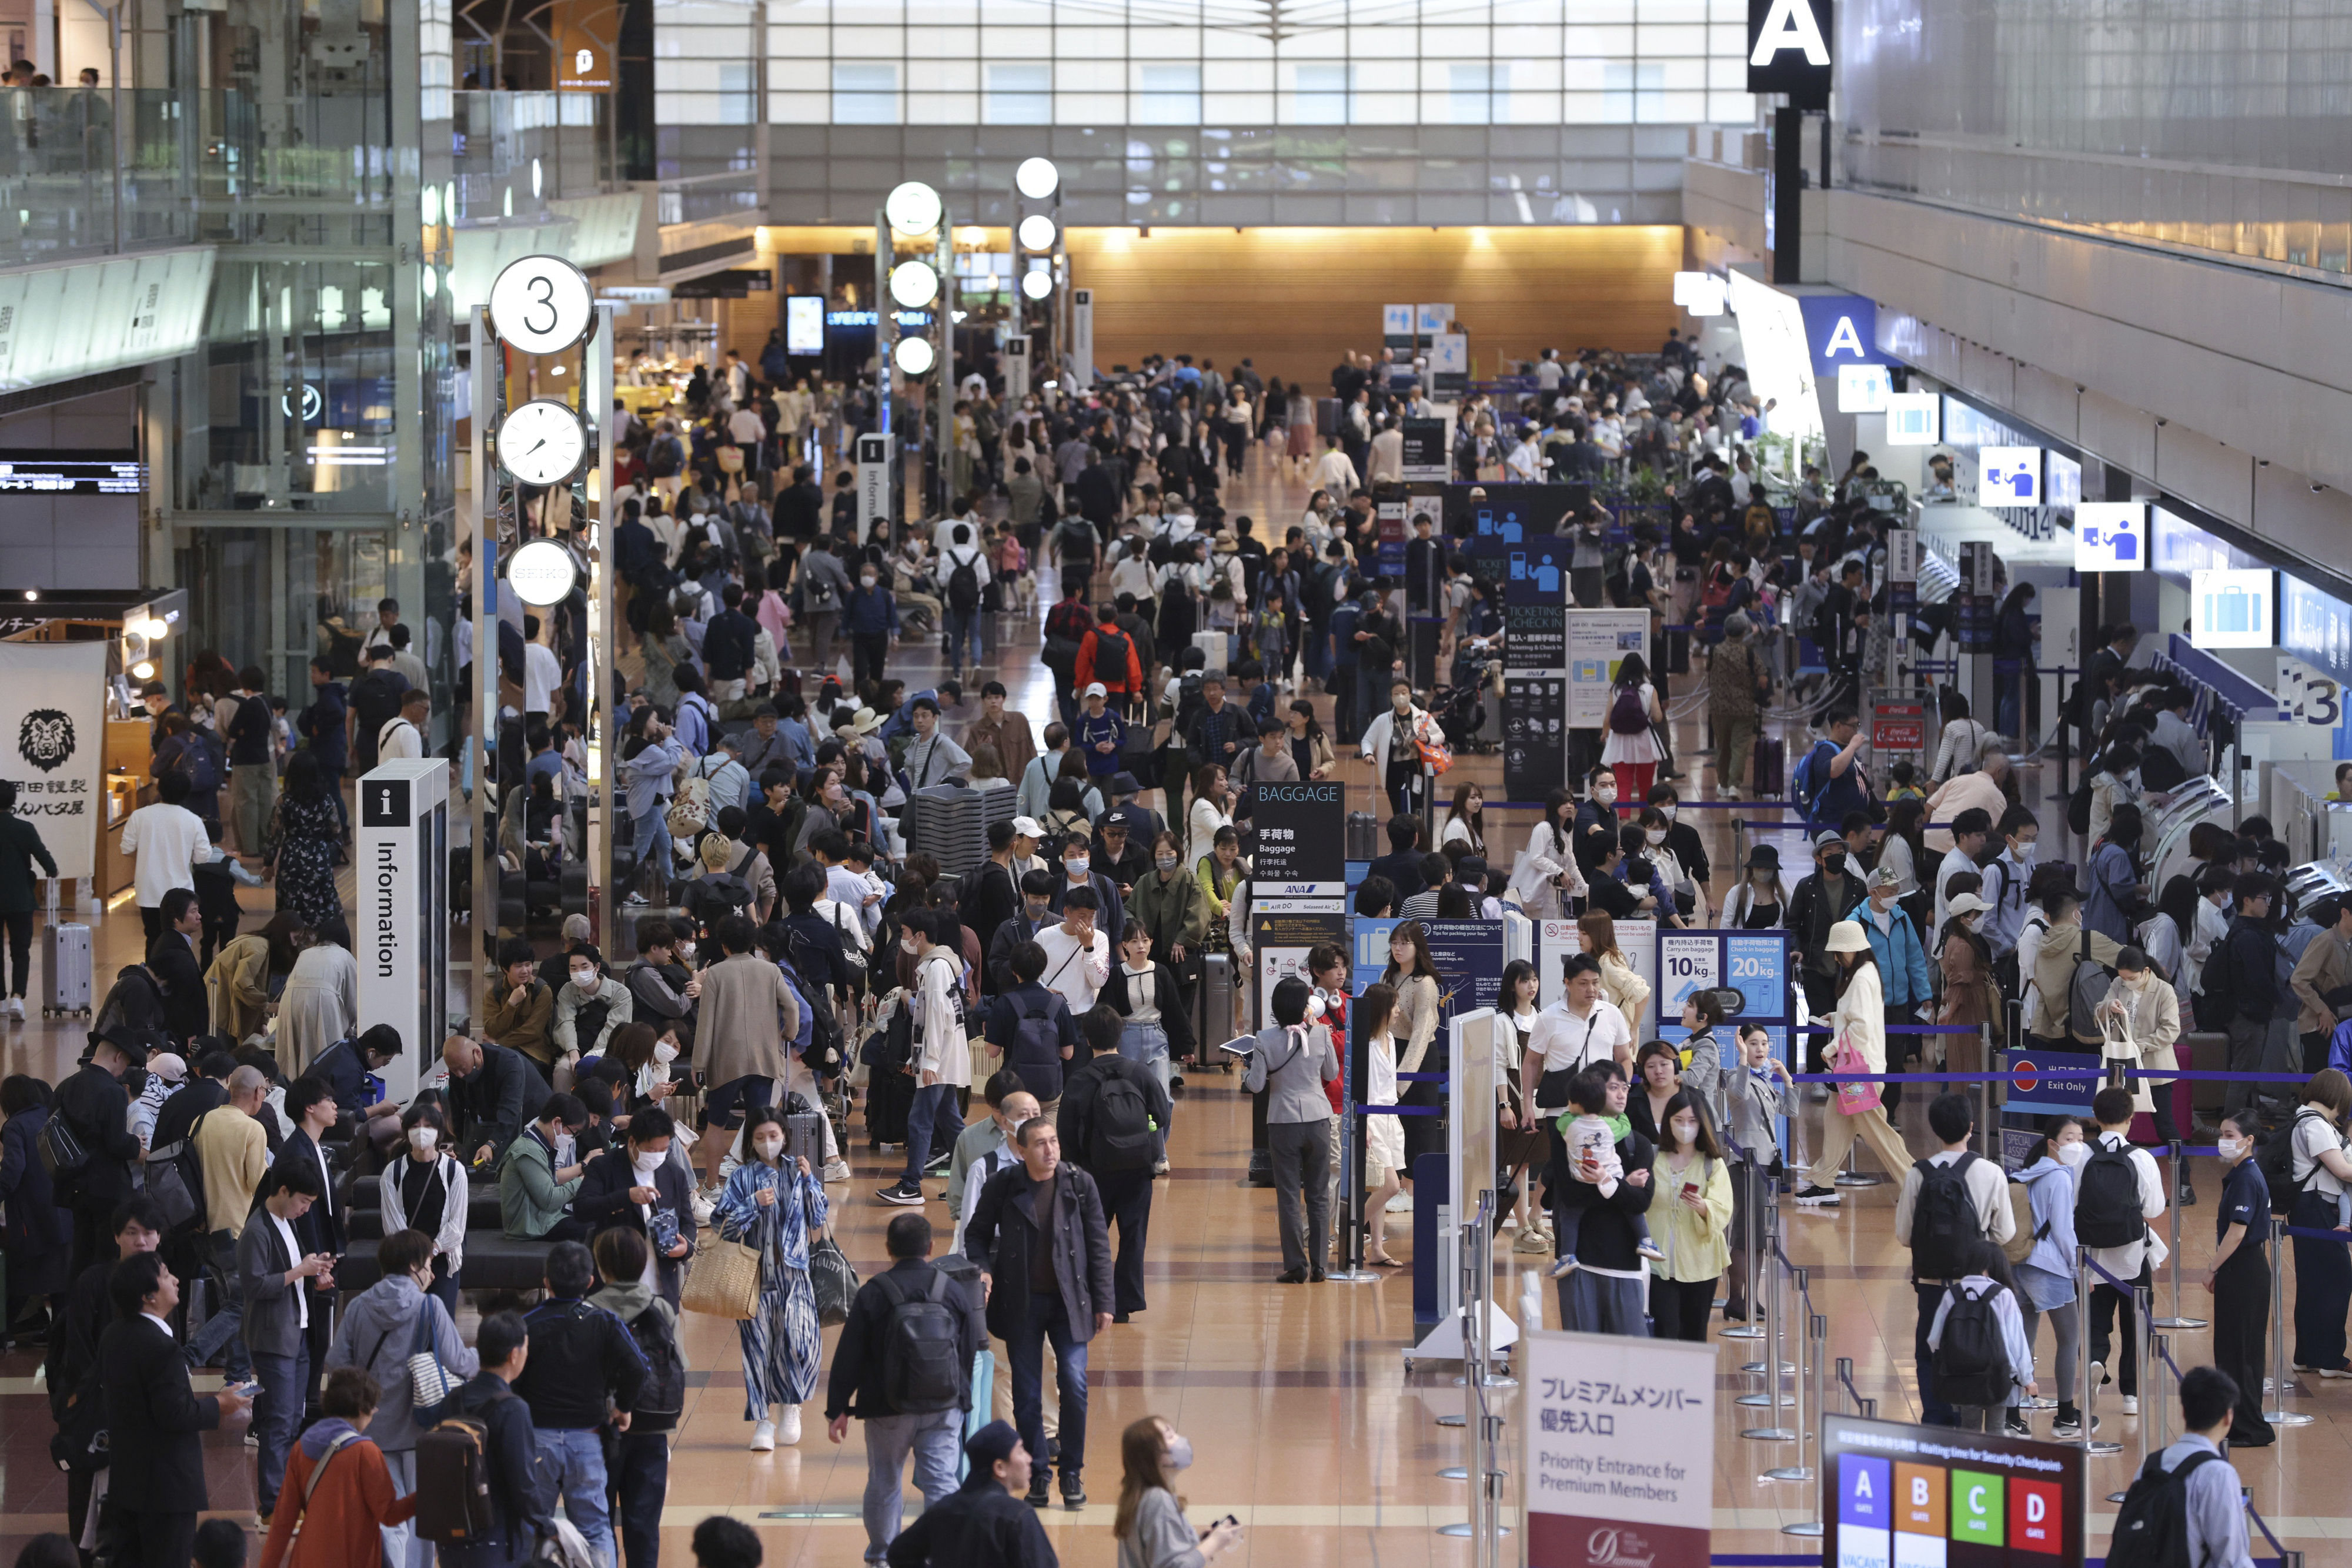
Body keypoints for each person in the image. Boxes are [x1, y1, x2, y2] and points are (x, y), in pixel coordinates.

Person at [964, 1116, 1115, 1506]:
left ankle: (1071, 1472)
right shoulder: (1004, 1185)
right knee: (1027, 1393)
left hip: (1070, 1302)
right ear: (1021, 1149)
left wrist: (1106, 1302)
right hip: (1022, 1303)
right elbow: (976, 1233)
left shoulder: (1080, 1183)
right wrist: (982, 1268)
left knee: (1074, 1382)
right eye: (1040, 1144)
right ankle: (1038, 1474)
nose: (1050, 1151)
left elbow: (1099, 1244)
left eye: (1054, 1142)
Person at [827, 1213, 977, 1563]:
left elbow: (849, 1355)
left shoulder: (874, 1293)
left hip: (885, 1407)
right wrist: (961, 1397)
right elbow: (967, 1350)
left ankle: (882, 1555)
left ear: (888, 1249)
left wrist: (838, 1409)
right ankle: (944, 1555)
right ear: (930, 1248)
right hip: (943, 1405)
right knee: (942, 1482)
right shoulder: (951, 1290)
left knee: (885, 1482)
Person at [326, 1228, 477, 1568]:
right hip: (420, 1430)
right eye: (428, 1265)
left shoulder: (359, 1307)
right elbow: (460, 1363)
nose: (432, 1273)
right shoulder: (430, 1306)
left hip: (371, 1431)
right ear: (413, 1267)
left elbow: (336, 1363)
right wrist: (490, 1357)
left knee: (386, 1517)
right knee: (420, 1516)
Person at [98, 1252, 253, 1568]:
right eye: (167, 1275)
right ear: (149, 1296)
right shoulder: (160, 1347)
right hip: (167, 1489)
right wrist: (221, 1405)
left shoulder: (114, 1335)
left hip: (127, 1481)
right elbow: (174, 1415)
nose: (176, 1279)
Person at [514, 1241, 650, 1568]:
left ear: (546, 1281)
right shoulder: (603, 1322)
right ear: (591, 1282)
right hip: (587, 1440)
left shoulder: (528, 1325)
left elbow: (512, 1379)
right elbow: (638, 1366)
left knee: (532, 1525)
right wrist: (624, 1407)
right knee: (594, 1527)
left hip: (538, 1442)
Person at [1891, 1094, 2015, 1427]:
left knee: (1929, 1351)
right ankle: (1970, 1419)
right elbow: (2005, 1233)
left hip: (1932, 1281)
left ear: (1934, 1130)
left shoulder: (1918, 1174)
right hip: (1979, 1283)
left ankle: (1936, 1418)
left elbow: (1904, 1235)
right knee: (1981, 1346)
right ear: (1971, 1128)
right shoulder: (1991, 1173)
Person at [710, 1105, 828, 1450]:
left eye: (773, 1136)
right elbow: (722, 1225)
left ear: (785, 1136)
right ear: (751, 1140)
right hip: (754, 1277)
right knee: (758, 1348)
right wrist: (752, 1204)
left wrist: (809, 1183)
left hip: (796, 1276)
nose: (767, 1143)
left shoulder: (798, 1171)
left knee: (798, 1341)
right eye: (760, 1137)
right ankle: (763, 1420)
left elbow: (818, 1218)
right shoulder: (742, 1177)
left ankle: (791, 1406)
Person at [1058, 1005, 1172, 1322]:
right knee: (1133, 1237)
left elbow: (1065, 1132)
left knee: (1091, 1236)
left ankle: (1092, 1299)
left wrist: (1079, 1165)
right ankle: (1125, 1303)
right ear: (1120, 1035)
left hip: (1095, 1171)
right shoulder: (1139, 1072)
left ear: (1086, 1038)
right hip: (1137, 1168)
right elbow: (1162, 1116)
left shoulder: (1080, 1079)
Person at [238, 1160, 333, 1524]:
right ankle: (272, 1506)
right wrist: (300, 1272)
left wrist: (315, 1274)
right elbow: (255, 1286)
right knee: (278, 1424)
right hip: (273, 1338)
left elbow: (293, 1276)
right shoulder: (256, 1232)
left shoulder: (287, 1223)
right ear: (281, 1192)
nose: (306, 1209)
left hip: (297, 1331)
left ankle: (287, 1498)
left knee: (293, 1420)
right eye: (304, 1201)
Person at [1795, 922, 1916, 1203]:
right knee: (1836, 1123)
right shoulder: (1867, 973)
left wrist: (1832, 1046)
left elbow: (1861, 1026)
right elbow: (1863, 1018)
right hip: (1856, 1070)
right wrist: (1837, 1019)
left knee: (1878, 1133)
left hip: (1859, 1072)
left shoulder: (1860, 978)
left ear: (1851, 950)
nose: (1836, 958)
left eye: (1839, 953)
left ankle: (1915, 1185)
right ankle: (1824, 1183)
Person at [256, 1366, 417, 1568]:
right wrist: (423, 1497)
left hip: (308, 1557)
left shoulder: (302, 1447)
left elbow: (283, 1521)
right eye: (373, 1409)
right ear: (362, 1410)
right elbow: (389, 1514)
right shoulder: (366, 1453)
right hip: (353, 1557)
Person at [587, 1229, 681, 1568]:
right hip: (651, 1431)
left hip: (598, 1434)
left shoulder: (588, 1312)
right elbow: (678, 1365)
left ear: (601, 1268)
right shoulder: (661, 1308)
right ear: (643, 1264)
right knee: (644, 1527)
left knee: (597, 1526)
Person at [691, 914, 801, 1196]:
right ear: (753, 942)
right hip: (764, 1058)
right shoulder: (771, 971)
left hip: (726, 1061)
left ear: (724, 946)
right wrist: (789, 1033)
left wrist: (698, 1064)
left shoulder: (715, 974)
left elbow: (706, 1024)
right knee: (761, 1125)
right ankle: (760, 1184)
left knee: (716, 1124)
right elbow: (791, 1007)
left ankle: (712, 1185)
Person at [438, 1310, 557, 1568]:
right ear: (514, 1355)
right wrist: (546, 1525)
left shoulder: (453, 1400)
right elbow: (522, 1482)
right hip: (497, 1538)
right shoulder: (513, 1409)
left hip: (451, 1537)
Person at [1547, 1064, 1655, 1335]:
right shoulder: (1568, 1138)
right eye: (1613, 1087)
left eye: (1625, 1088)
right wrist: (1621, 1187)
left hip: (1624, 1264)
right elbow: (1570, 1196)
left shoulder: (1636, 1143)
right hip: (1578, 1262)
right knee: (1583, 1353)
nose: (1621, 1095)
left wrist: (1607, 1184)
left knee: (1630, 1355)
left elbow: (1641, 1203)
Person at [2082, 1085, 2168, 1414]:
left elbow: (2070, 1204)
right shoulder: (2142, 1158)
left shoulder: (2081, 1155)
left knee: (2094, 1317)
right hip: (2133, 1254)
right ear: (2131, 1119)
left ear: (2095, 1116)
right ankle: (2131, 1394)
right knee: (2137, 1324)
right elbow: (2155, 1209)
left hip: (2091, 1257)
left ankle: (2094, 1360)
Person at [878, 908, 971, 1208]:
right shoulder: (937, 965)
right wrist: (917, 1059)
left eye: (905, 932)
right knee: (951, 1122)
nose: (903, 938)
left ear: (920, 935)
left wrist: (928, 1060)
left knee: (920, 1121)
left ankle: (911, 1186)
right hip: (939, 1057)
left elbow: (937, 1017)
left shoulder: (937, 968)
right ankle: (974, 1179)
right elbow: (930, 1019)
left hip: (939, 1060)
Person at [884, 1420, 1061, 1568]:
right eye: (1021, 1450)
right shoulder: (1017, 1516)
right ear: (999, 1468)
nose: (1029, 1459)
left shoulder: (943, 1509)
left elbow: (899, 1553)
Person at [573, 1106, 698, 1306]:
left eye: (663, 1150)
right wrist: (626, 1197)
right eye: (651, 1150)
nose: (657, 1156)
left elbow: (688, 1222)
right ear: (632, 1142)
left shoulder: (674, 1174)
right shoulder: (604, 1167)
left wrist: (686, 1247)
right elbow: (582, 1209)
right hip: (615, 1284)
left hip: (662, 1286)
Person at [2013, 1119, 2091, 1437]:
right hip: (2049, 1266)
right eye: (2069, 1138)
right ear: (2052, 1143)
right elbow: (2063, 1229)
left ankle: (2010, 1414)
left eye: (2080, 1138)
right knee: (2070, 1338)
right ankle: (2066, 1415)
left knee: (2021, 1341)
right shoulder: (2059, 1177)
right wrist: (2078, 1269)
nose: (2076, 1144)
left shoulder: (2028, 1172)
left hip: (2020, 1262)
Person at [2134, 1367, 2257, 1568]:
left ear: (2184, 1412)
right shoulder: (2219, 1474)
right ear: (2228, 1417)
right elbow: (2231, 1557)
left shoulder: (2150, 1465)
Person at [2207, 1112, 2275, 1447]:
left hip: (2244, 1269)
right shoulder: (2240, 1174)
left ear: (2249, 1141)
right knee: (2232, 1350)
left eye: (2231, 1134)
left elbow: (2237, 1232)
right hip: (2240, 1270)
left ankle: (2252, 1427)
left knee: (2243, 1351)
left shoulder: (2248, 1178)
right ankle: (2236, 1422)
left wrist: (2212, 1267)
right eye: (2222, 1133)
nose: (2224, 1139)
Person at [53, 1033, 145, 1282]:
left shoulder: (67, 1085)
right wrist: (137, 1142)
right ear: (118, 1057)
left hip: (74, 1186)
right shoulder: (113, 1092)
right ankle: (103, 1315)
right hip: (107, 1189)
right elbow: (116, 1143)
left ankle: (77, 1311)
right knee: (107, 1259)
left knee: (81, 1255)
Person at [1925, 1241, 2037, 1433]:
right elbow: (2017, 1341)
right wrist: (2027, 1378)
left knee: (1969, 1429)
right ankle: (1994, 1463)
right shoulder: (2003, 1295)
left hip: (1962, 1377)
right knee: (1996, 1430)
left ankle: (1968, 1463)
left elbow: (1934, 1340)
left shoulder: (1953, 1294)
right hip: (1999, 1376)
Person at [1647, 1089, 1732, 1341]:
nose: (1686, 1127)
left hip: (1701, 1263)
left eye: (1693, 1121)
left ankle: (1693, 1380)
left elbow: (1724, 1205)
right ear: (1668, 1122)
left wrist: (1704, 1207)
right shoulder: (1653, 1157)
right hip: (1657, 1262)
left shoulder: (1712, 1163)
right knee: (1665, 1329)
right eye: (1679, 1120)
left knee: (1695, 1333)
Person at [2283, 1068, 2352, 1379]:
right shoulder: (2317, 1125)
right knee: (2336, 1279)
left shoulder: (2302, 1118)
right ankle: (2330, 1358)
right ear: (2338, 1098)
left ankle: (2307, 1355)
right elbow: (2342, 1170)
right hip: (2318, 1207)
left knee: (2313, 1282)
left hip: (2305, 1208)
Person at [1112, 1416, 1242, 1568]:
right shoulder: (1158, 1500)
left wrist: (1199, 1544)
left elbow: (1158, 1553)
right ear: (1154, 1457)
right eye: (1170, 1437)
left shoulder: (1140, 1496)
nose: (1180, 1440)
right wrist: (1214, 1543)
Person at [118, 770, 218, 944]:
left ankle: (152, 971)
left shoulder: (140, 816)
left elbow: (127, 849)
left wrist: (145, 857)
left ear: (159, 788)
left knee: (152, 937)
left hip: (148, 889)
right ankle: (175, 971)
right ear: (186, 793)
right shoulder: (193, 820)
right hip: (181, 892)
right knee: (179, 940)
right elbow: (203, 857)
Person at [497, 1092, 592, 1242]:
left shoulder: (539, 1146)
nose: (572, 1139)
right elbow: (549, 1200)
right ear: (557, 1123)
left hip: (542, 1219)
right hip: (530, 1227)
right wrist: (583, 1180)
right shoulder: (528, 1150)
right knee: (592, 1231)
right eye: (574, 1132)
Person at [0, 778, 58, 1018]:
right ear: (13, 801)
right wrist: (52, 870)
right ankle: (17, 998)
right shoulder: (24, 828)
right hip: (20, 899)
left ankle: (0, 999)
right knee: (20, 949)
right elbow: (45, 858)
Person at [275, 915, 357, 1075]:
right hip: (324, 1000)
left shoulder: (306, 953)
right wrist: (350, 1028)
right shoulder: (345, 956)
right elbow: (352, 1001)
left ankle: (291, 1086)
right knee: (325, 1053)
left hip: (290, 1000)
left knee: (294, 1053)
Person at [443, 1034, 536, 1166]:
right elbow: (455, 1109)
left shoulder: (509, 1063)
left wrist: (492, 1144)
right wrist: (452, 1144)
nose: (460, 1075)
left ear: (477, 1054)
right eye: (454, 1070)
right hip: (490, 1120)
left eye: (463, 1069)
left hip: (529, 1118)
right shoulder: (458, 1067)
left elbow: (510, 1113)